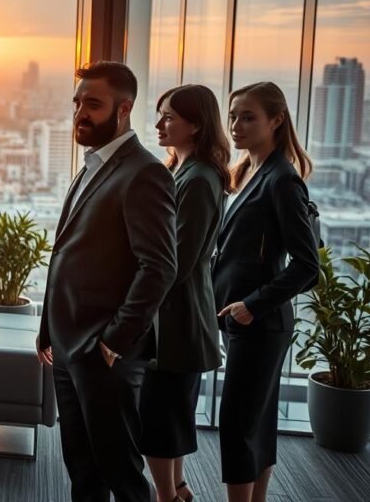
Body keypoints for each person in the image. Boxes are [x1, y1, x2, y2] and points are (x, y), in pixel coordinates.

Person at [36, 61, 177, 502]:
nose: (80, 111)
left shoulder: (144, 172)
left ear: (123, 109)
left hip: (105, 354)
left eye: (92, 104)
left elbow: (159, 267)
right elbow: (66, 256)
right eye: (78, 101)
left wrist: (115, 341)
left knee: (121, 473)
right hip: (68, 346)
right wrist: (48, 330)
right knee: (82, 468)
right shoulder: (91, 166)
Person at [213, 81, 319, 502]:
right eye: (233, 115)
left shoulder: (281, 180)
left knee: (237, 424)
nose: (236, 124)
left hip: (259, 323)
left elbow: (308, 267)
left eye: (248, 116)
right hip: (246, 321)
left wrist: (251, 306)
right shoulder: (250, 172)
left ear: (277, 120)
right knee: (257, 422)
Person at [142, 85, 229, 502]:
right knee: (172, 416)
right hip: (178, 318)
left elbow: (177, 260)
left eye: (170, 117)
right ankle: (176, 489)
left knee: (159, 420)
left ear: (196, 125)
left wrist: (134, 302)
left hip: (177, 321)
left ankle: (166, 496)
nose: (160, 124)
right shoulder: (188, 171)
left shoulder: (197, 180)